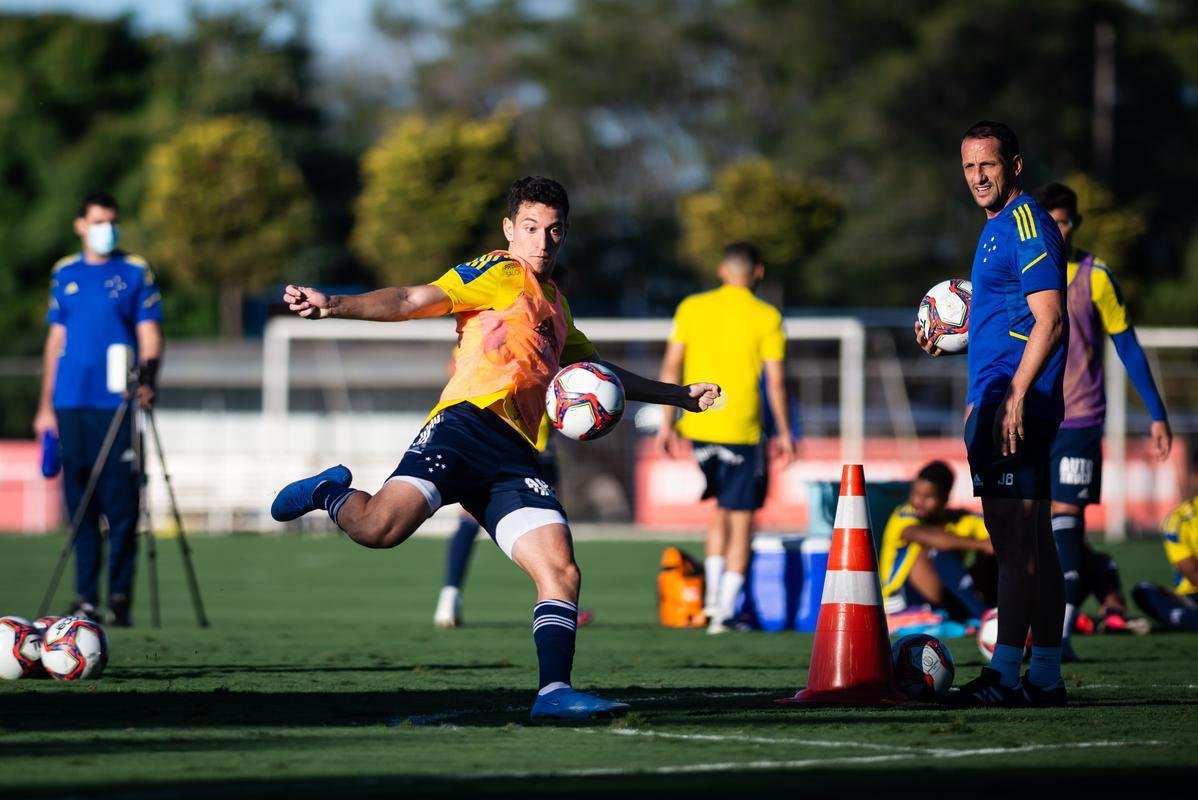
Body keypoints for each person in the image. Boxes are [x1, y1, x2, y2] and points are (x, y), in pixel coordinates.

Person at [270, 176, 721, 720]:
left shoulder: (556, 304)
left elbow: (594, 371)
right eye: (530, 228)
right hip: (465, 427)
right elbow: (413, 299)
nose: (542, 241)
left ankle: (554, 692)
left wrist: (678, 396)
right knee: (378, 531)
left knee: (562, 571)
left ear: (565, 234)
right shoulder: (498, 272)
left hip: (517, 454)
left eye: (554, 231)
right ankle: (329, 492)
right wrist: (333, 304)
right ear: (510, 229)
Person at [916, 121, 1069, 706]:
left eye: (989, 165)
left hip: (1016, 409)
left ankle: (1005, 676)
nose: (978, 177)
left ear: (1015, 165)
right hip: (1000, 404)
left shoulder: (1027, 224)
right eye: (969, 167)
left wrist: (1014, 396)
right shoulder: (994, 230)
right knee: (1034, 543)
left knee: (1013, 544)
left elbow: (1051, 319)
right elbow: (1001, 318)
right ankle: (1046, 677)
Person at [1032, 181, 1172, 659]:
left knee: (1067, 520)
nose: (1058, 228)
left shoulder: (1095, 276)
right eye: (1049, 220)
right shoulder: (1024, 271)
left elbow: (1127, 345)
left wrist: (1156, 413)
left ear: (1075, 224)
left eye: (1065, 220)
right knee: (1032, 527)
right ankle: (1098, 579)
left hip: (1079, 419)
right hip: (1029, 417)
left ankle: (1061, 636)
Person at [33, 191, 164, 627]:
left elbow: (149, 333)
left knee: (121, 504)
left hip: (117, 403)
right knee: (79, 505)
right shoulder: (64, 273)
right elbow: (55, 341)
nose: (106, 228)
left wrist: (148, 380)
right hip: (71, 401)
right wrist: (45, 406)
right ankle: (85, 598)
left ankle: (120, 596)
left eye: (112, 220)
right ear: (80, 225)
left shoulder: (134, 271)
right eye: (98, 221)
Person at [655, 242, 796, 634]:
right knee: (743, 517)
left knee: (720, 509)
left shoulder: (691, 307)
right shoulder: (767, 316)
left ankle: (714, 601)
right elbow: (777, 383)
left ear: (721, 270)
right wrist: (785, 432)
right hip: (742, 428)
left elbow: (671, 365)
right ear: (759, 272)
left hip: (697, 423)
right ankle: (723, 611)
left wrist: (667, 421)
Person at [879, 461, 995, 621]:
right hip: (899, 600)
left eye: (928, 497)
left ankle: (1003, 609)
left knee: (994, 554)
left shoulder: (960, 519)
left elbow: (996, 535)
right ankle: (984, 615)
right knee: (937, 549)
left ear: (945, 497)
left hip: (940, 598)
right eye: (915, 493)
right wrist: (981, 544)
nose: (918, 501)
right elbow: (929, 537)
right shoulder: (903, 516)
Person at [1132, 447, 1198, 632]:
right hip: (1192, 596)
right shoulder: (1178, 521)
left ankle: (1184, 618)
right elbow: (1193, 575)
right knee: (1143, 590)